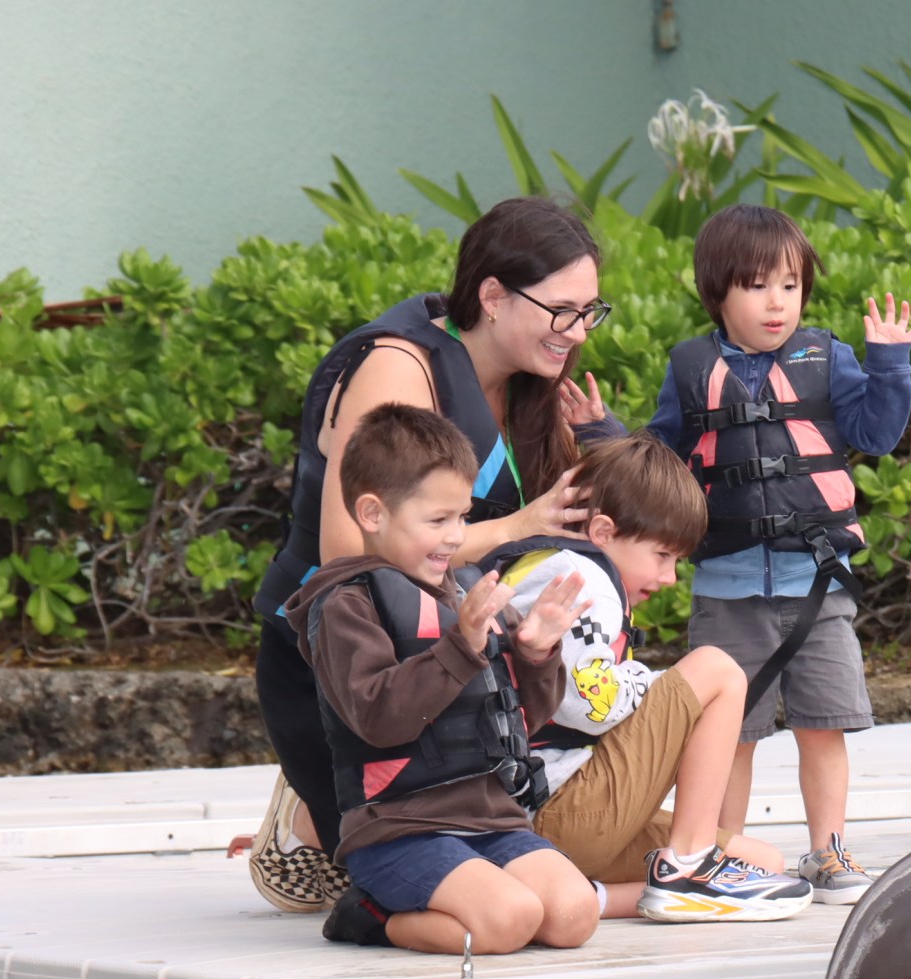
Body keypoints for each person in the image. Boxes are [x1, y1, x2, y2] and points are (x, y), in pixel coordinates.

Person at [248, 196, 628, 914]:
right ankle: (305, 818)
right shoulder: (399, 366)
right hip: (346, 666)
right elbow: (346, 553)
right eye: (563, 310)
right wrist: (517, 526)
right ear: (492, 295)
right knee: (443, 891)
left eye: (590, 312)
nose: (577, 331)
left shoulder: (528, 386)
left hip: (457, 659)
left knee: (546, 883)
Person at [647, 204, 911, 905]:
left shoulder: (827, 359)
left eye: (791, 286)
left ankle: (828, 852)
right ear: (718, 293)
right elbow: (658, 463)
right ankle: (719, 849)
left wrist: (890, 364)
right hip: (728, 589)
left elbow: (877, 434)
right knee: (729, 735)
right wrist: (599, 436)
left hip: (817, 587)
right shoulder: (690, 370)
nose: (777, 302)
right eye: (757, 285)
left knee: (825, 726)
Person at [285, 404, 599, 954]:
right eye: (437, 520)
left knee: (574, 916)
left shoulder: (465, 594)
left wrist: (535, 651)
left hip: (491, 818)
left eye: (463, 517)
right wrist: (460, 647)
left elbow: (528, 716)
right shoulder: (345, 606)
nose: (456, 536)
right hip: (400, 828)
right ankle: (370, 916)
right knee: (508, 921)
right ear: (372, 513)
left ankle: (470, 893)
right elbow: (379, 718)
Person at [479, 433, 818, 922]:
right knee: (717, 672)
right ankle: (688, 865)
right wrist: (647, 680)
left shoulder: (555, 566)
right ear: (602, 531)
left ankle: (601, 896)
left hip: (556, 821)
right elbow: (589, 705)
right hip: (557, 810)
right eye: (663, 556)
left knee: (763, 862)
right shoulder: (580, 578)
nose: (669, 578)